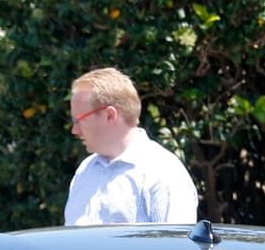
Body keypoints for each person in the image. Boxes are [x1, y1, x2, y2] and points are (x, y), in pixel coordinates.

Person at [64, 67, 198, 225]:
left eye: (78, 120)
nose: (74, 130)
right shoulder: (85, 170)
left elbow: (176, 240)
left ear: (109, 115)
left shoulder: (163, 172)